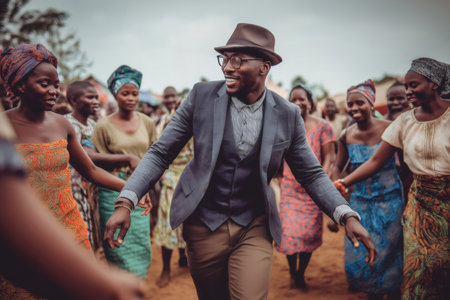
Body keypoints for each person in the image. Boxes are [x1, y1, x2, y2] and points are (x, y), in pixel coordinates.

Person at [104, 23, 375, 300]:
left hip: (254, 224)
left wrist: (346, 214)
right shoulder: (201, 97)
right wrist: (126, 200)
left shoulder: (287, 114)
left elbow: (313, 174)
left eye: (238, 60)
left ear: (264, 66)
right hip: (203, 222)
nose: (227, 67)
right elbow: (161, 153)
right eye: (225, 59)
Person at [0, 44, 151, 297]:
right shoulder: (4, 128)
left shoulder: (62, 125)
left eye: (56, 84)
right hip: (25, 231)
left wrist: (131, 189)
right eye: (44, 84)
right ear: (19, 85)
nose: (53, 91)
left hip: (69, 226)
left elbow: (90, 170)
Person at [337, 58, 449, 299]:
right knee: (417, 268)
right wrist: (344, 182)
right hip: (420, 204)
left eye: (413, 85)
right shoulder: (405, 122)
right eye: (406, 86)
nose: (408, 92)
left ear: (434, 84)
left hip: (444, 201)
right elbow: (376, 161)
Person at [331, 79, 404, 299]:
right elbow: (337, 165)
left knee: (390, 252)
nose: (354, 109)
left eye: (359, 103)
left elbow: (404, 163)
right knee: (362, 249)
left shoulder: (389, 130)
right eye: (350, 105)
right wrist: (336, 186)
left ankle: (391, 293)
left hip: (389, 201)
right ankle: (372, 293)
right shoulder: (346, 135)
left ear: (371, 104)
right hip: (360, 203)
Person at [92, 65, 157, 279]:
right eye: (125, 93)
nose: (130, 98)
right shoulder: (103, 126)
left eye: (134, 93)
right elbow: (95, 162)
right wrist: (127, 161)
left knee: (139, 240)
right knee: (116, 241)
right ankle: (120, 286)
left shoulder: (147, 122)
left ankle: (135, 286)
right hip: (112, 189)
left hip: (141, 189)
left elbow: (155, 154)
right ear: (115, 95)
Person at [65, 81, 141, 251]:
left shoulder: (94, 125)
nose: (95, 101)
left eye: (96, 97)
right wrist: (126, 158)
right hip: (73, 188)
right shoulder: (67, 124)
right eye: (89, 97)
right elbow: (88, 158)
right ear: (74, 100)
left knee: (93, 233)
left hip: (93, 188)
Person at [276, 84, 335, 289]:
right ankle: (293, 271)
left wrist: (322, 183)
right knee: (290, 234)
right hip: (290, 190)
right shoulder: (283, 128)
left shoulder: (323, 127)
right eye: (294, 99)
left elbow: (329, 158)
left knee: (309, 234)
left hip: (313, 191)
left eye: (302, 99)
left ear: (311, 102)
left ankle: (301, 273)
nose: (299, 103)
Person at [153, 86, 191, 288]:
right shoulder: (163, 123)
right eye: (166, 96)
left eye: (173, 96)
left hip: (191, 178)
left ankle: (184, 257)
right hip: (170, 180)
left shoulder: (196, 124)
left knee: (190, 223)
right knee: (169, 223)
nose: (170, 99)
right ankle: (166, 269)